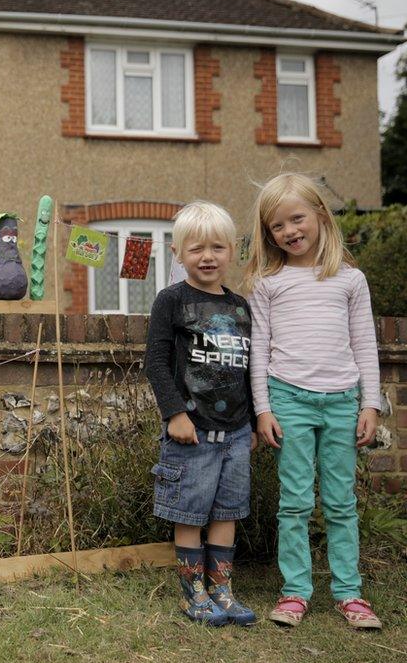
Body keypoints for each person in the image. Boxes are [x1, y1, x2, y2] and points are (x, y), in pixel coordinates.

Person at [245, 173, 382, 630]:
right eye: (276, 226)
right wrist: (263, 408)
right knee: (295, 501)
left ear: (321, 216)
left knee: (342, 502)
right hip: (289, 399)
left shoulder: (350, 280)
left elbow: (365, 345)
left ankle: (349, 592)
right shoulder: (268, 283)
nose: (289, 231)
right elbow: (259, 351)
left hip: (343, 401)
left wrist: (370, 404)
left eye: (297, 219)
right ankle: (296, 591)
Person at [144, 201, 257, 627]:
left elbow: (249, 368)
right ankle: (193, 594)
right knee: (189, 514)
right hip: (190, 431)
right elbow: (155, 362)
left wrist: (252, 422)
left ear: (231, 251)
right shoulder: (172, 300)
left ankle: (222, 592)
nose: (207, 257)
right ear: (178, 254)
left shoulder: (240, 307)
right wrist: (175, 413)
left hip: (236, 433)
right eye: (196, 249)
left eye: (216, 248)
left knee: (228, 512)